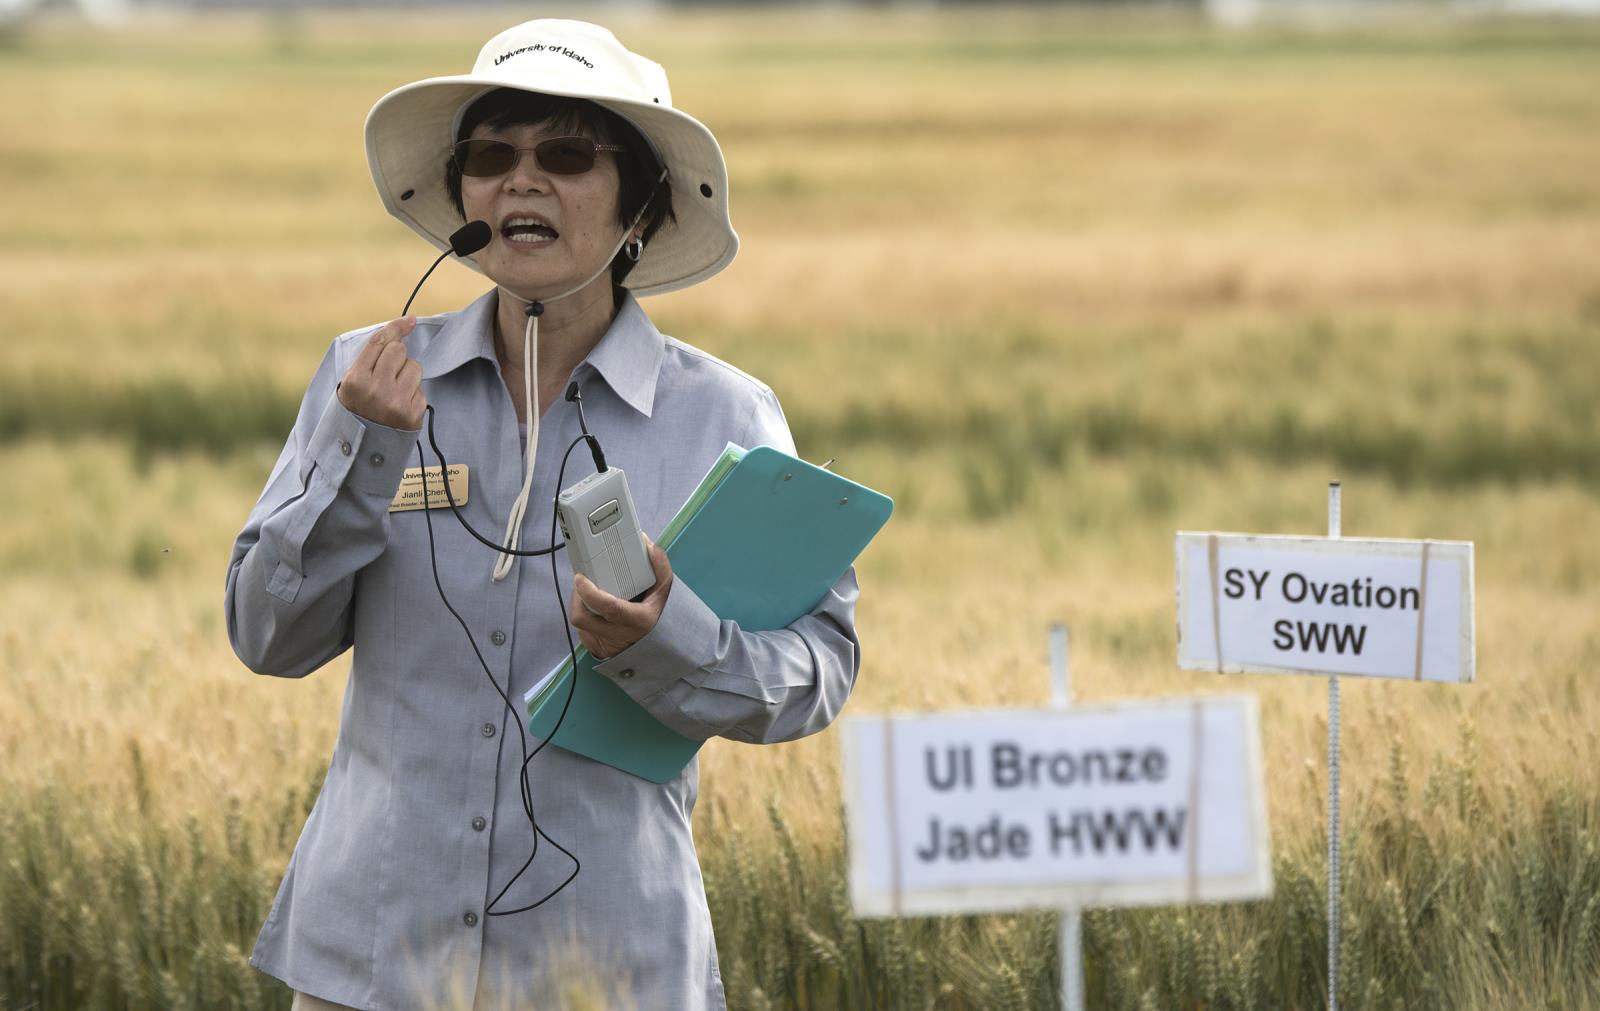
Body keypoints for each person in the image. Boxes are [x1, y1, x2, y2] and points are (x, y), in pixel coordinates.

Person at [225, 19, 861, 1011]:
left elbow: (817, 675)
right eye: (490, 157)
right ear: (460, 203)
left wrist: (670, 639)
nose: (521, 181)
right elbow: (266, 636)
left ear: (640, 206)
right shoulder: (366, 379)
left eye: (565, 153)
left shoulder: (724, 417)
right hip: (373, 961)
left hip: (607, 966)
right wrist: (361, 451)